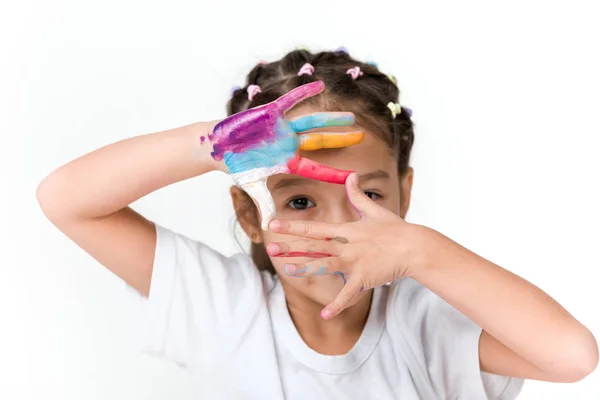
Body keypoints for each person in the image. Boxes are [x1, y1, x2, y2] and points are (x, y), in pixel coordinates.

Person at [37, 48, 598, 399]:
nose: (339, 230)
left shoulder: (429, 322)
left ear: (404, 196)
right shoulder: (221, 306)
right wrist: (219, 143)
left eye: (370, 194)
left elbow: (572, 357)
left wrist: (421, 252)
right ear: (249, 215)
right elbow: (66, 199)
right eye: (300, 202)